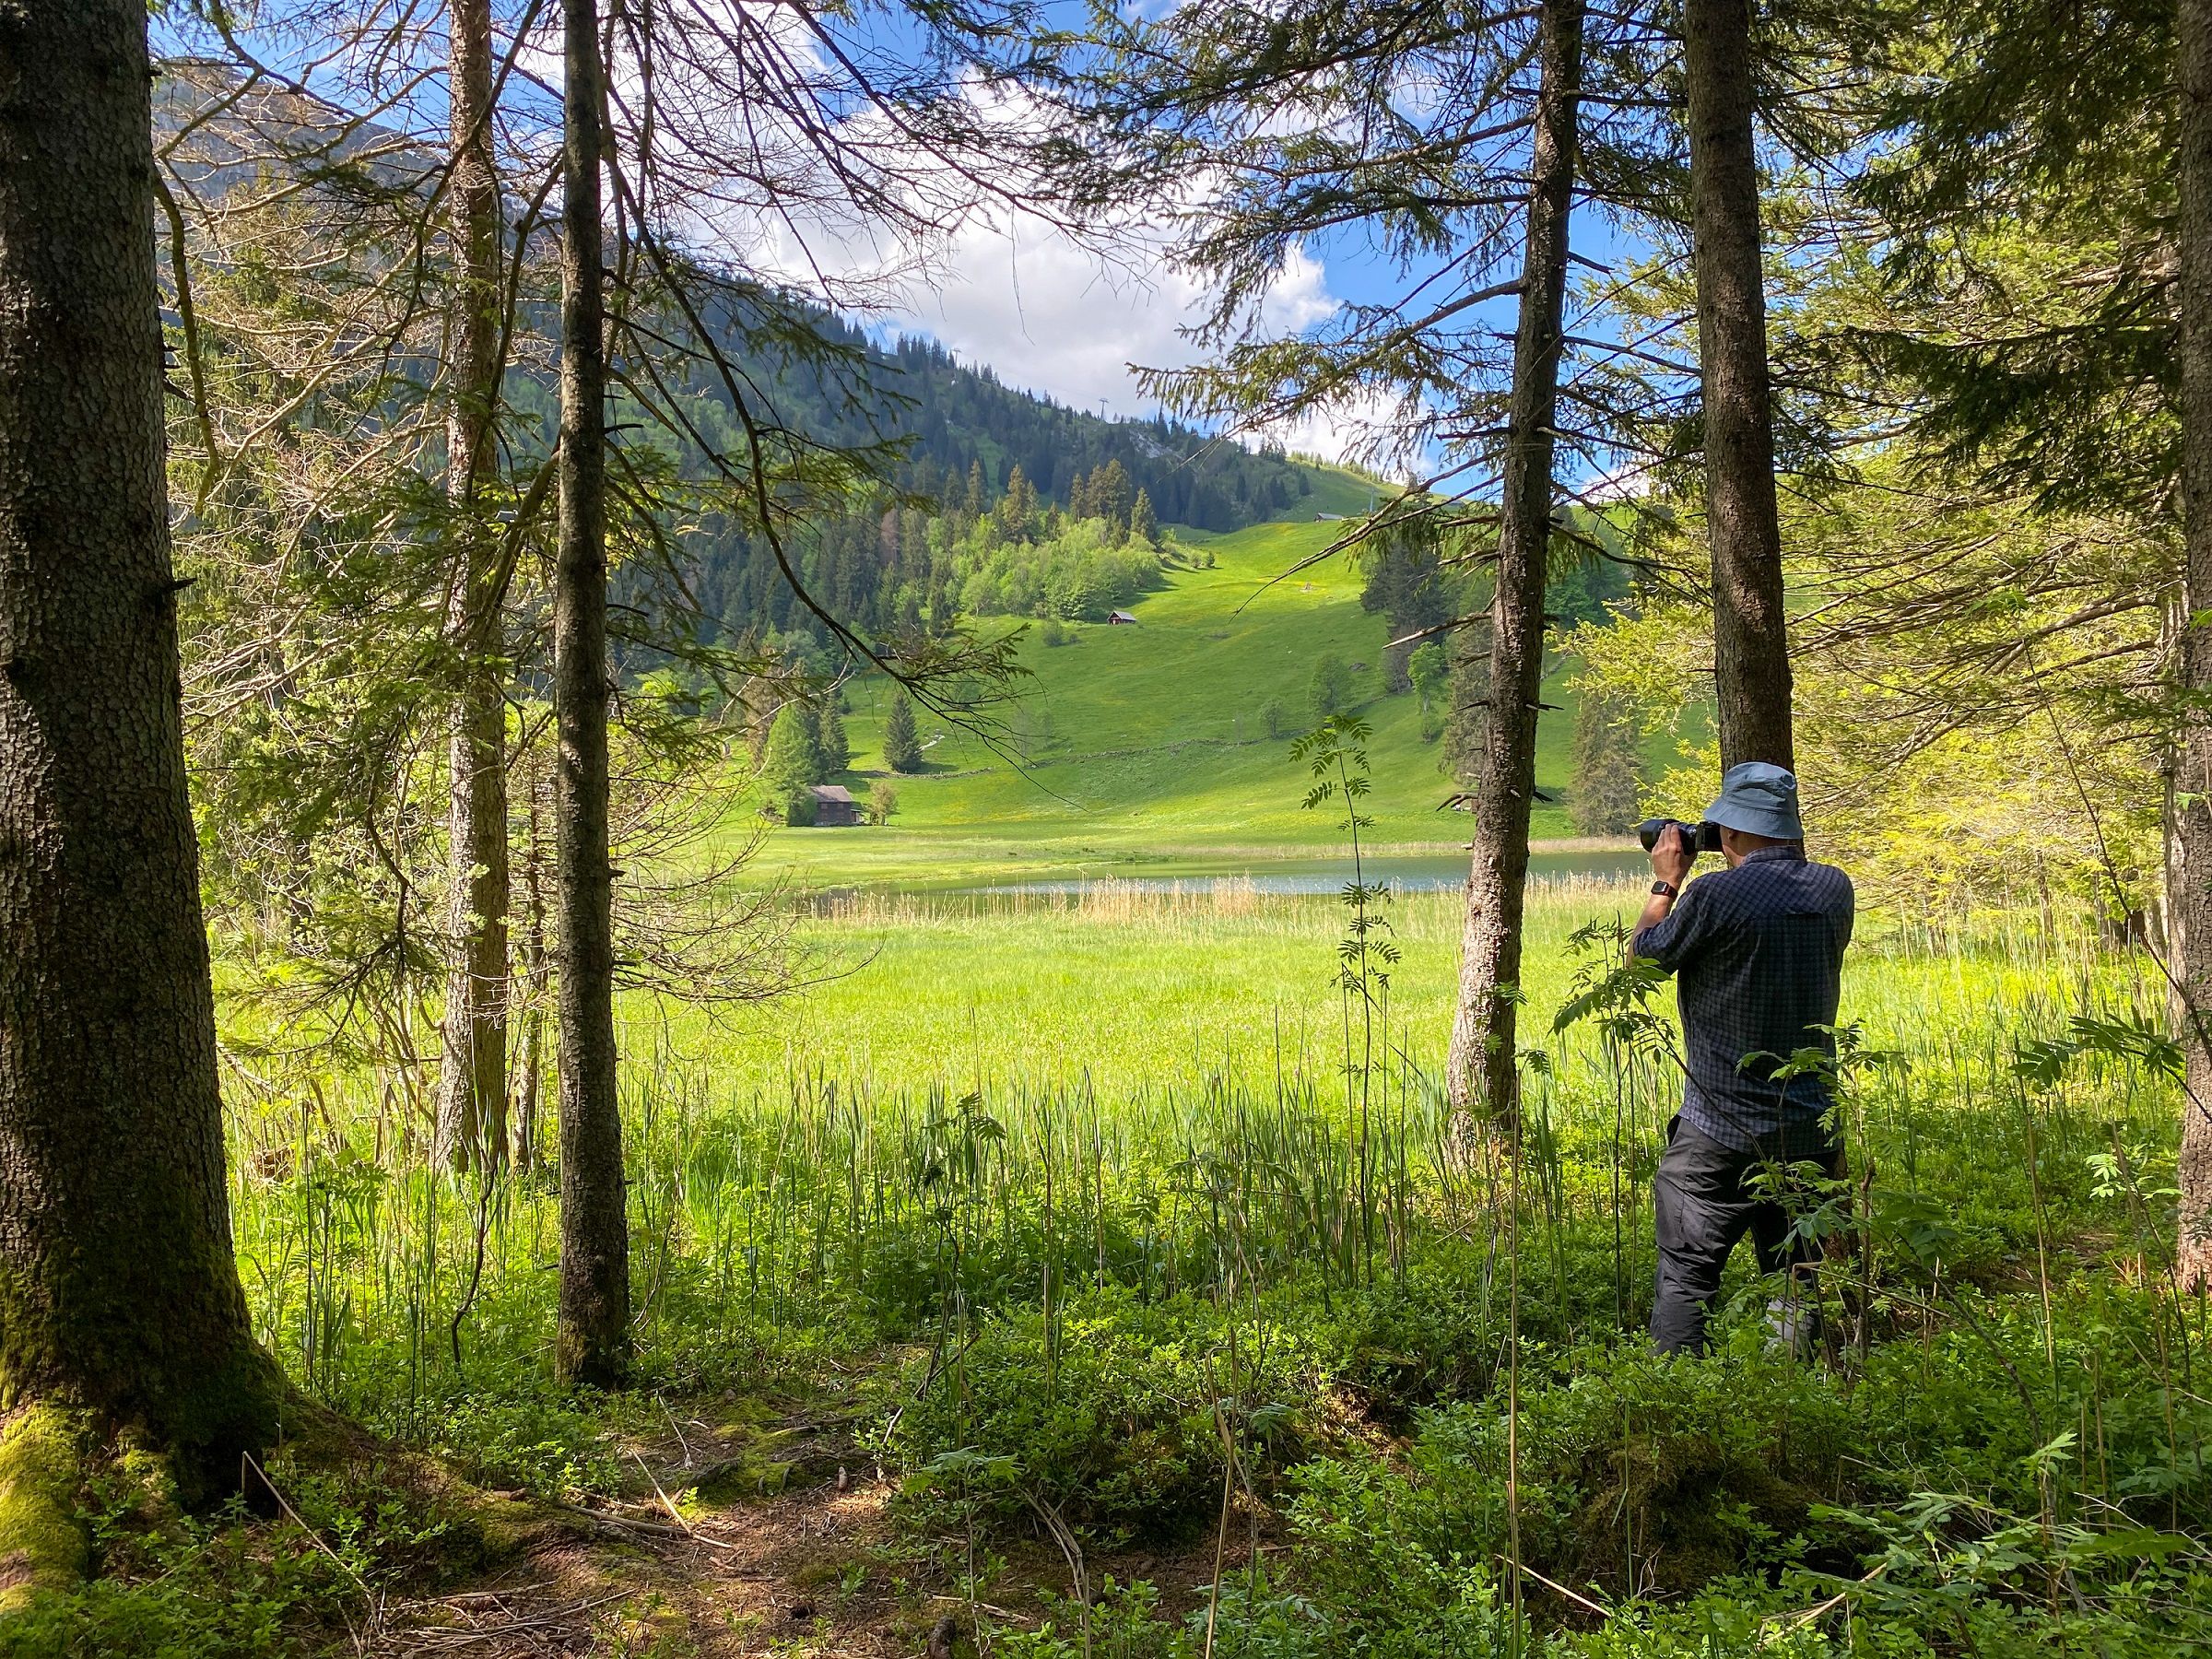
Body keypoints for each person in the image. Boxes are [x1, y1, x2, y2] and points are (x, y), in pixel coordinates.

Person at [1630, 761, 1853, 1355]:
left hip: (1718, 1130)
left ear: (1728, 833)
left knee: (1687, 1274)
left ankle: (1675, 1400)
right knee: (1796, 1276)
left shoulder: (1711, 894)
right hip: (1811, 1125)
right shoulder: (1834, 887)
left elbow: (1644, 960)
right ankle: (1794, 1394)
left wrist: (1666, 882)